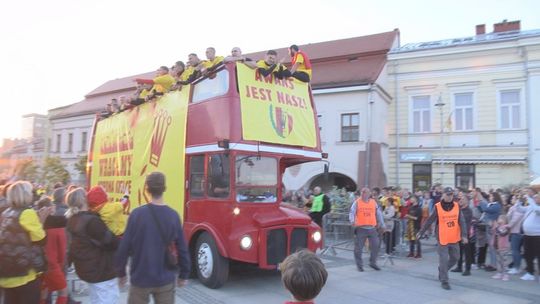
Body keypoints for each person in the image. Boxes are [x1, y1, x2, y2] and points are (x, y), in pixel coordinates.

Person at [116, 172, 190, 304]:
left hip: (140, 278)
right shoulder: (173, 216)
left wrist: (121, 273)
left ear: (147, 189)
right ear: (164, 189)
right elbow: (182, 248)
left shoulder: (136, 215)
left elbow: (124, 247)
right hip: (165, 279)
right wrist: (184, 274)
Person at [65, 187, 120, 304]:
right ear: (84, 200)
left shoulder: (73, 219)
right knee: (108, 299)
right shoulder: (91, 221)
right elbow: (110, 242)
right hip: (101, 270)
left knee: (96, 299)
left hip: (87, 268)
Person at [0, 181, 48, 304]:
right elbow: (41, 239)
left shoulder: (6, 213)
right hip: (24, 273)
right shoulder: (27, 213)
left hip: (7, 272)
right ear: (25, 195)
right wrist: (41, 220)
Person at [417, 187, 467, 290]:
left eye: (451, 195)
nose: (450, 196)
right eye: (448, 194)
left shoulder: (457, 206)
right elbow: (429, 220)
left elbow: (461, 222)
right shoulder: (437, 207)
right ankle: (444, 280)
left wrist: (464, 235)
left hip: (454, 238)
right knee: (443, 260)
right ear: (443, 195)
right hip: (442, 238)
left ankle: (442, 270)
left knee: (455, 258)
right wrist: (421, 232)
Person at [36, 197, 69, 304]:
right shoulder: (59, 226)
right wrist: (60, 265)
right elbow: (62, 251)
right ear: (51, 208)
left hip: (40, 265)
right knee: (63, 291)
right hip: (53, 265)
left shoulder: (37, 225)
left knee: (44, 291)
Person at [349, 187, 385, 272]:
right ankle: (359, 265)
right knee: (358, 248)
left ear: (369, 194)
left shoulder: (373, 202)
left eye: (365, 192)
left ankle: (373, 263)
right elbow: (352, 212)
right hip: (361, 228)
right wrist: (352, 221)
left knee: (376, 245)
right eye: (362, 192)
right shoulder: (357, 202)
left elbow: (378, 213)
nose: (363, 194)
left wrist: (382, 224)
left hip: (372, 228)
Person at [451, 191, 475, 276]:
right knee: (459, 251)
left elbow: (466, 223)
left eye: (463, 199)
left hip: (465, 234)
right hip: (458, 233)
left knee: (467, 252)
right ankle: (459, 267)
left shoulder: (468, 211)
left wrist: (465, 235)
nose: (461, 200)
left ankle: (467, 269)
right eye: (461, 199)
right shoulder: (459, 209)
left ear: (467, 201)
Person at [519, 193, 540, 281]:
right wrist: (519, 201)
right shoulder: (531, 207)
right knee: (528, 255)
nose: (535, 199)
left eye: (537, 198)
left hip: (537, 236)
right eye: (534, 198)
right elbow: (520, 209)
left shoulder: (536, 207)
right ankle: (530, 273)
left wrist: (529, 199)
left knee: (539, 256)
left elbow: (537, 210)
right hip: (527, 235)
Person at [506, 193, 526, 275]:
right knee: (516, 251)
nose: (512, 200)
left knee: (515, 251)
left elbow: (515, 219)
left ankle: (516, 268)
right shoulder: (513, 208)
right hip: (515, 231)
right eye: (511, 198)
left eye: (513, 198)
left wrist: (508, 226)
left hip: (517, 232)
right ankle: (516, 266)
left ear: (518, 200)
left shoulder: (518, 208)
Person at [490, 215, 510, 281]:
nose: (499, 220)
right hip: (497, 247)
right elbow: (492, 233)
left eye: (501, 219)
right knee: (498, 261)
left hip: (503, 247)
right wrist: (492, 226)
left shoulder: (506, 227)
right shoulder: (497, 227)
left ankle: (505, 274)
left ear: (505, 221)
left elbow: (502, 233)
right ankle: (499, 273)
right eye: (499, 218)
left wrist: (496, 228)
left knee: (504, 261)